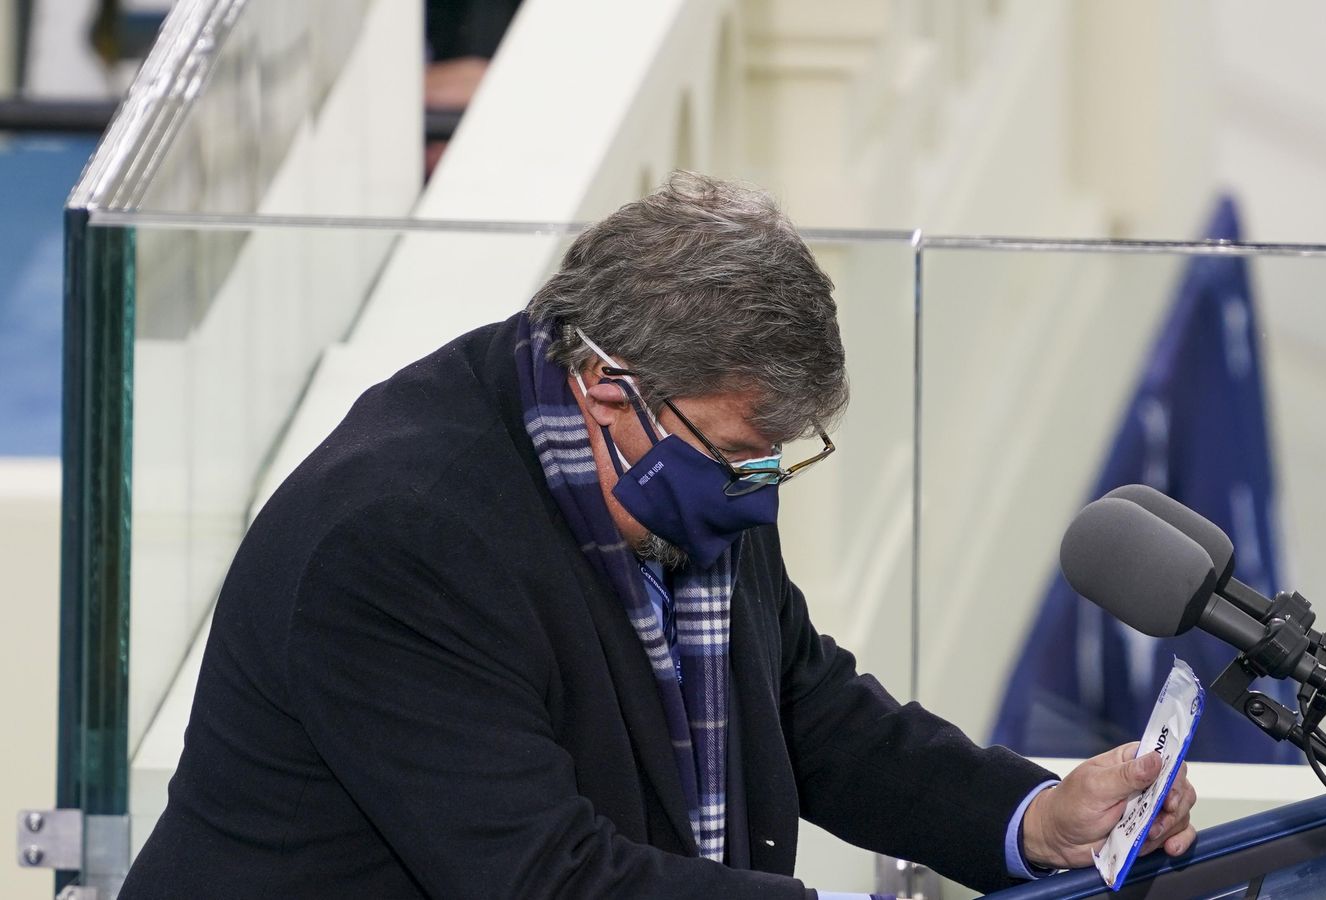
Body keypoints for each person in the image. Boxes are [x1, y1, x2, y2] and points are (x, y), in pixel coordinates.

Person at [119, 172, 1197, 899]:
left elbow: (806, 709)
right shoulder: (401, 541)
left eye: (779, 454)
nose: (758, 488)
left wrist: (1035, 817)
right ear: (605, 385)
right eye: (737, 453)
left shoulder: (688, 471)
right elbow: (544, 876)